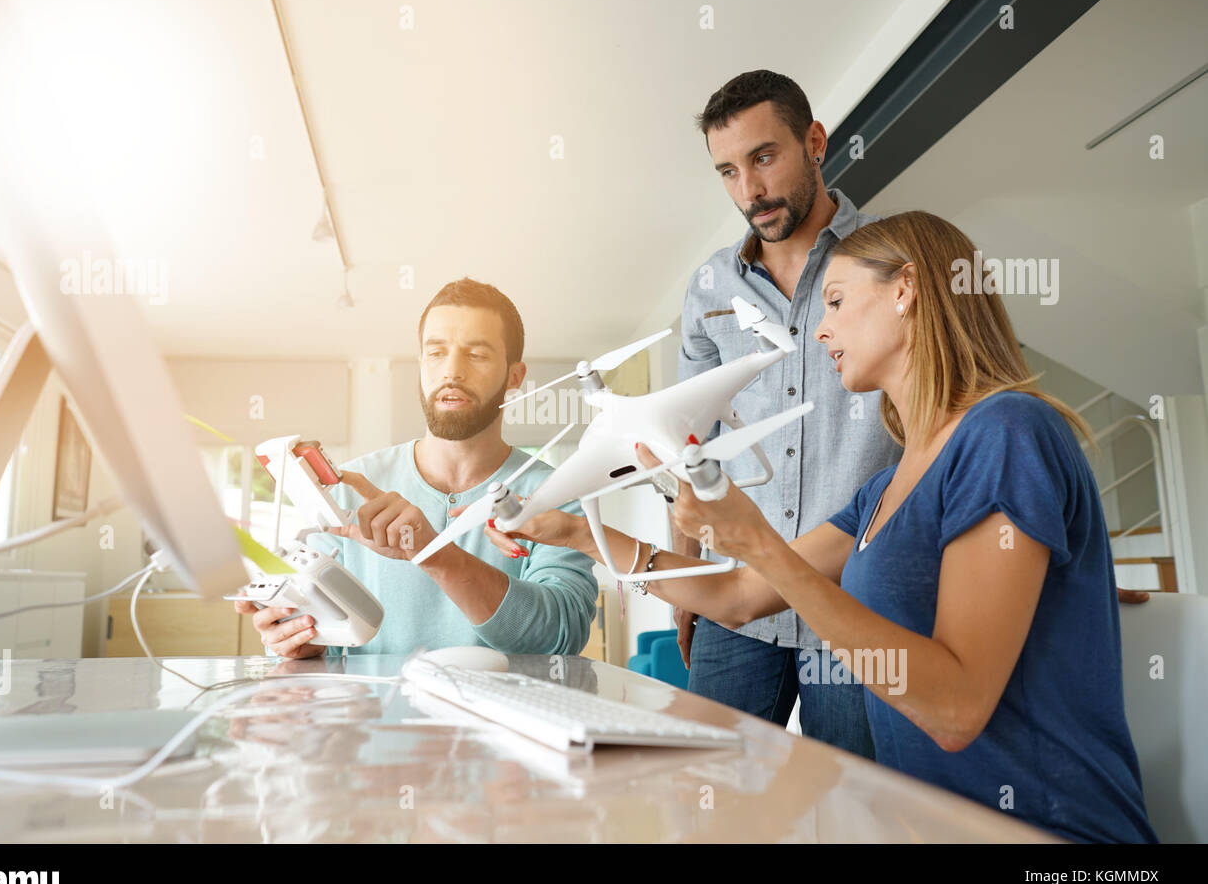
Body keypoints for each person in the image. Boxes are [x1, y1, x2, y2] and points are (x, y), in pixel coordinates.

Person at [485, 212, 1156, 843]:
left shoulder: (1006, 432)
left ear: (908, 290)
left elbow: (956, 709)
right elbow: (742, 594)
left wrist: (763, 546)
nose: (819, 330)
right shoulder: (885, 490)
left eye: (835, 302)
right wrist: (576, 534)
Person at [675, 69, 900, 757]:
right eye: (729, 171)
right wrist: (683, 582)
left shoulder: (893, 258)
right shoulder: (708, 288)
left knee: (864, 807)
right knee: (704, 792)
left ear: (815, 141)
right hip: (737, 602)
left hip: (856, 601)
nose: (750, 190)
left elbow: (955, 416)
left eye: (765, 157)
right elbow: (690, 445)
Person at [234, 278, 598, 658]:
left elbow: (561, 638)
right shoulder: (349, 488)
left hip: (501, 716)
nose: (452, 371)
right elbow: (316, 630)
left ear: (514, 376)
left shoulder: (556, 494)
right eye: (436, 353)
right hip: (376, 715)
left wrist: (434, 553)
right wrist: (298, 638)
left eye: (476, 355)